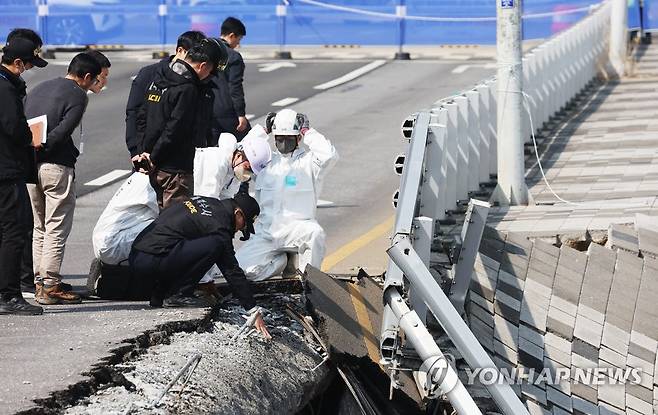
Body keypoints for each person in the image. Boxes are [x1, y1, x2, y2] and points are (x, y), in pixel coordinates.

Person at [129, 193, 271, 338]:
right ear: (238, 213)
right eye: (244, 225)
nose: (240, 230)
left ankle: (161, 294)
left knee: (203, 243)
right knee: (215, 245)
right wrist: (253, 310)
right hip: (151, 259)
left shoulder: (209, 203)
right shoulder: (219, 226)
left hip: (140, 254)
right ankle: (178, 295)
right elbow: (231, 270)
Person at [24, 53, 102, 305]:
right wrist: (45, 147)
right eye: (95, 80)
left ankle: (39, 281)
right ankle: (50, 285)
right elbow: (64, 129)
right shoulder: (77, 95)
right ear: (87, 76)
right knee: (57, 226)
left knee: (39, 226)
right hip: (55, 166)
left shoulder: (41, 86)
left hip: (29, 166)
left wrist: (31, 150)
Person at [236, 110, 338, 281]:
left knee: (315, 234)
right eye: (279, 139)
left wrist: (308, 132)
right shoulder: (265, 162)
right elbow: (241, 150)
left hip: (297, 228)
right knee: (240, 272)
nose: (283, 143)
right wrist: (263, 131)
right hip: (266, 232)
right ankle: (281, 262)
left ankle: (310, 281)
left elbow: (329, 154)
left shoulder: (309, 163)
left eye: (288, 139)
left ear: (298, 138)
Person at [134, 38, 228, 210]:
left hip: (150, 165)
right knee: (175, 223)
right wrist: (154, 157)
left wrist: (144, 153)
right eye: (211, 71)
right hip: (176, 170)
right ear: (203, 66)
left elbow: (141, 117)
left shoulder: (158, 78)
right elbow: (175, 128)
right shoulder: (188, 89)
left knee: (153, 221)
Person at [0, 35, 48, 315]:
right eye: (28, 64)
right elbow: (12, 128)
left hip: (5, 168)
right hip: (7, 170)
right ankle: (9, 295)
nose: (29, 69)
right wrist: (31, 138)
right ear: (17, 62)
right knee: (14, 232)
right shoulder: (5, 88)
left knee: (6, 232)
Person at [125, 31, 206, 160]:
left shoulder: (200, 79)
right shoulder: (149, 74)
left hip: (185, 158)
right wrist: (136, 151)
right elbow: (134, 113)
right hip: (147, 155)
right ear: (180, 50)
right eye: (192, 55)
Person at [193, 126, 271, 201]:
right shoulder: (218, 162)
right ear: (240, 155)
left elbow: (247, 142)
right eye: (247, 168)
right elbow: (207, 201)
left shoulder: (235, 168)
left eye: (252, 172)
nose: (247, 174)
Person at [212, 17, 249, 141]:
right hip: (226, 112)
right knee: (248, 142)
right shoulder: (233, 57)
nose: (238, 44)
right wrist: (241, 114)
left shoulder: (205, 51)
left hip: (204, 110)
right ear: (232, 35)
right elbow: (235, 87)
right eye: (239, 40)